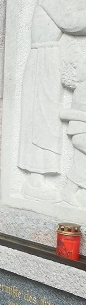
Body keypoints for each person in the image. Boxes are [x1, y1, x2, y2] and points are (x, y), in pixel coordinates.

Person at [18, 0, 86, 201]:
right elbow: (70, 21)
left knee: (47, 119)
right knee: (41, 119)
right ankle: (34, 180)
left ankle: (41, 178)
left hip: (52, 60)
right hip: (42, 60)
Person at [60, 47, 86, 206]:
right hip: (81, 132)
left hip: (80, 132)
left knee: (81, 162)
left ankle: (72, 191)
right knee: (80, 162)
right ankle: (69, 191)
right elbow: (77, 112)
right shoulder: (83, 89)